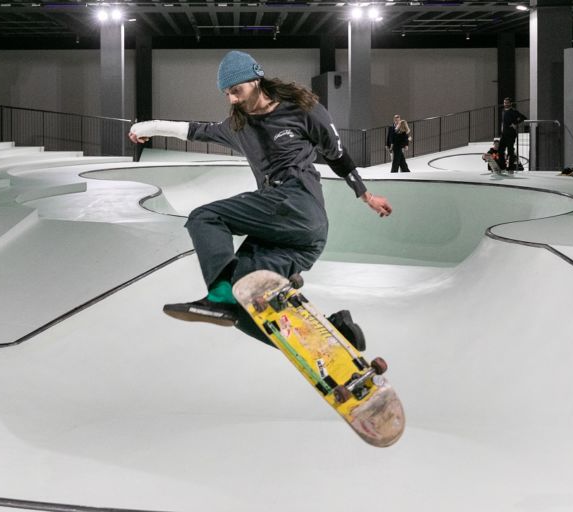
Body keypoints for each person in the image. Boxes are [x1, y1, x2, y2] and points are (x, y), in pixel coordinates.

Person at [128, 50, 393, 351]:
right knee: (242, 307)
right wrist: (146, 128)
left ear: (255, 80)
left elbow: (337, 154)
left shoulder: (303, 110)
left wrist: (364, 193)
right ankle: (330, 339)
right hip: (295, 237)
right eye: (227, 94)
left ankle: (218, 295)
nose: (232, 99)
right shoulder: (237, 127)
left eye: (236, 91)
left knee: (205, 217)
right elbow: (193, 130)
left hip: (298, 205)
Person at [498, 98, 525, 172]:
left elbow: (523, 117)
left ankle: (511, 168)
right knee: (500, 150)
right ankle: (502, 167)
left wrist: (515, 123)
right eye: (504, 102)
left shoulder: (513, 111)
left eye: (507, 103)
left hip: (511, 134)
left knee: (510, 151)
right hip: (504, 134)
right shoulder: (503, 111)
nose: (505, 104)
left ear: (510, 103)